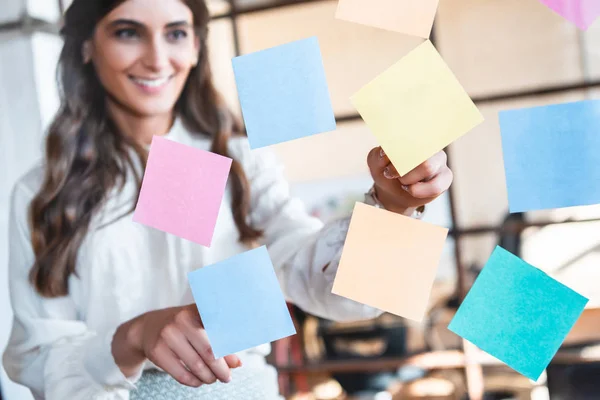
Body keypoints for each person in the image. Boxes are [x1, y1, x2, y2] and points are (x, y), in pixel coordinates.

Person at [2, 0, 454, 398]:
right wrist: (133, 337)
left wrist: (394, 208)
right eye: (127, 32)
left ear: (196, 46)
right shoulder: (42, 192)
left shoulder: (240, 161)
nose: (157, 58)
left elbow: (328, 289)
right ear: (86, 45)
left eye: (176, 33)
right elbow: (33, 357)